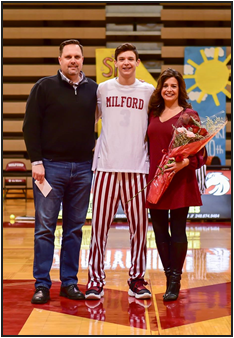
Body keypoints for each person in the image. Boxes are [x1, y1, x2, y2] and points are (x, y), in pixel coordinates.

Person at [23, 39, 98, 304]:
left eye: (77, 56)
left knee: (75, 229)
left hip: (83, 169)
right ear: (59, 60)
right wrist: (36, 162)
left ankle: (69, 283)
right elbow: (30, 127)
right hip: (50, 167)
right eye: (68, 57)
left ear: (83, 60)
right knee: (44, 228)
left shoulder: (94, 90)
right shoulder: (44, 87)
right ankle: (42, 284)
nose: (73, 61)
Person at [85, 43, 155, 300]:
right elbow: (87, 121)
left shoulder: (149, 91)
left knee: (139, 228)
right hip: (105, 167)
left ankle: (136, 279)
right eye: (122, 59)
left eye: (131, 59)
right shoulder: (102, 89)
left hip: (137, 169)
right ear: (114, 63)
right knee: (98, 228)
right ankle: (95, 280)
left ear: (137, 63)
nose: (126, 63)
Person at [146, 68, 207, 301]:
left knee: (178, 228)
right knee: (159, 230)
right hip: (156, 180)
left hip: (180, 179)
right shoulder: (152, 113)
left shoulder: (189, 115)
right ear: (160, 89)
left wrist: (185, 164)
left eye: (173, 86)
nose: (169, 89)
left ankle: (175, 281)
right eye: (165, 85)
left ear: (179, 89)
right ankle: (168, 273)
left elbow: (200, 150)